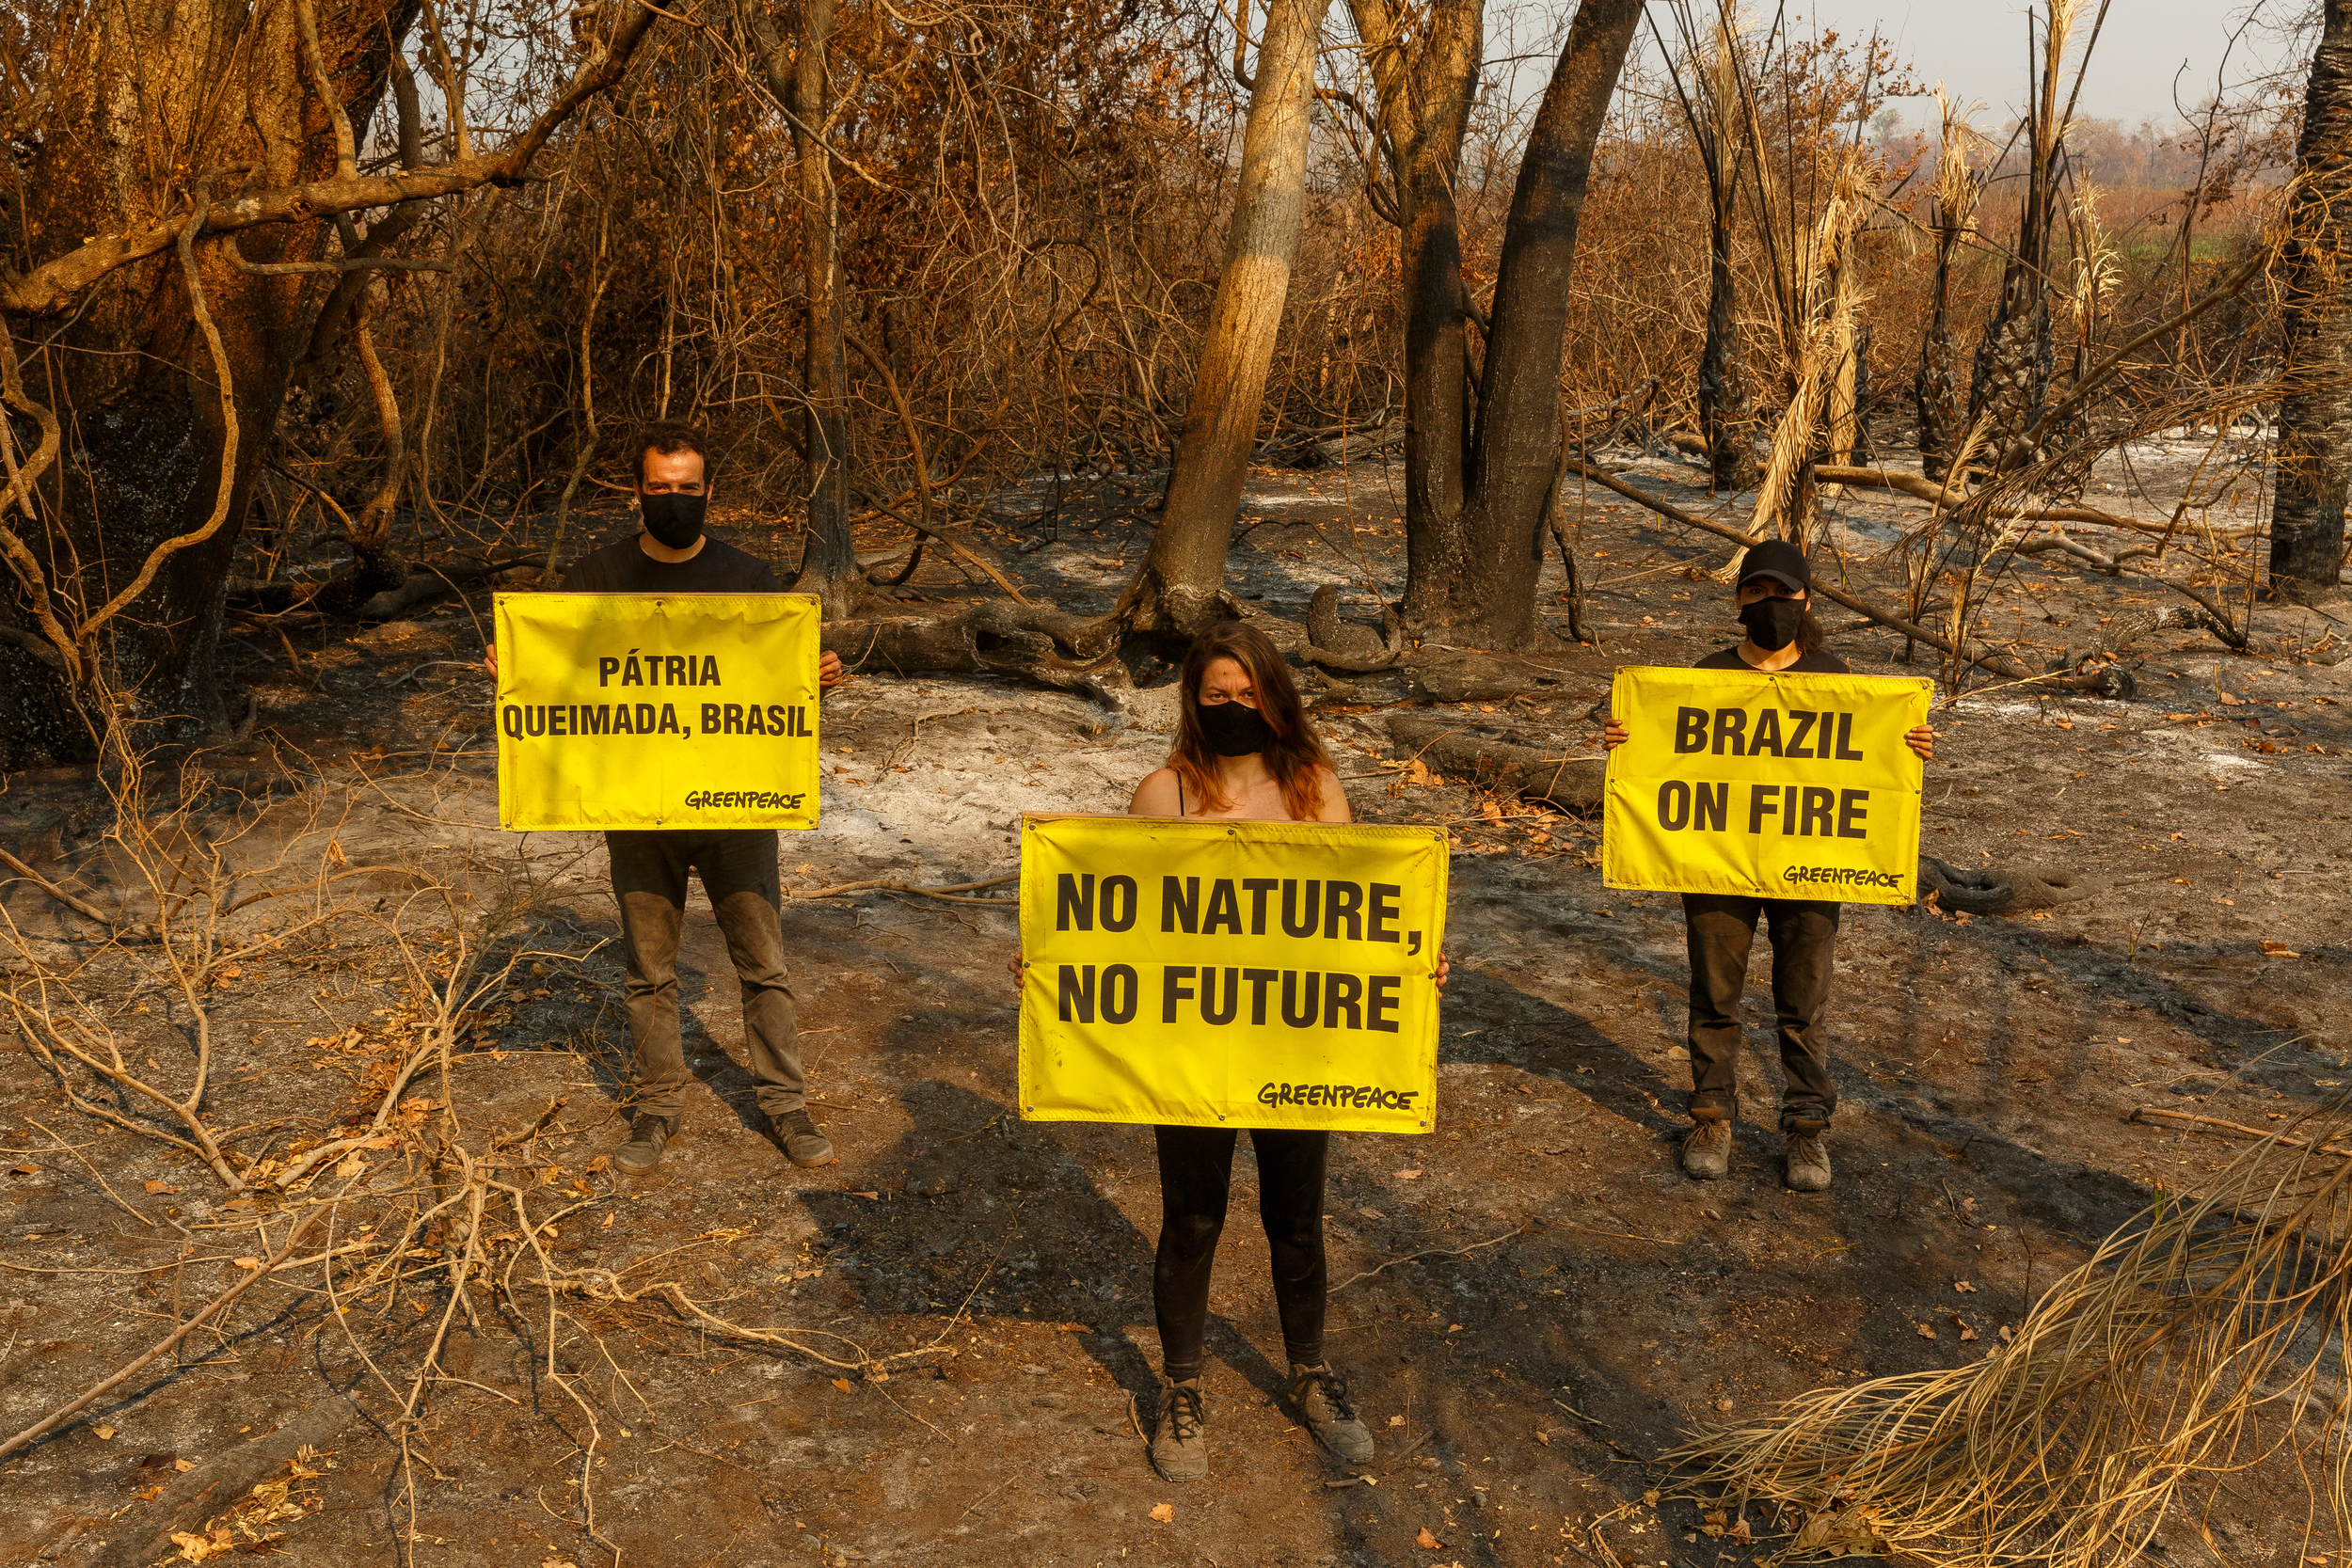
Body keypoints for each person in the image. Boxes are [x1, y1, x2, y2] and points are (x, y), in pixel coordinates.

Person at [1015, 621, 1447, 1484]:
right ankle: (1181, 1388)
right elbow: (1118, 925)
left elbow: (1356, 919)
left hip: (1293, 1041)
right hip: (1191, 1047)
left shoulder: (1316, 790)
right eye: (1216, 694)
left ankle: (1312, 1373)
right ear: (1192, 700)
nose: (1233, 706)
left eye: (1248, 693)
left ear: (1275, 696)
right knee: (1193, 1217)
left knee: (1295, 1218)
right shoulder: (1161, 795)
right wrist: (1050, 960)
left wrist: (1415, 962)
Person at [485, 420, 846, 1176]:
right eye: (661, 488)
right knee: (649, 969)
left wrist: (815, 674)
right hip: (636, 809)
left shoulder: (751, 581)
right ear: (637, 491)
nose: (675, 500)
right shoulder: (594, 579)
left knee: (764, 963)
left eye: (688, 489)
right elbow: (555, 664)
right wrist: (513, 664)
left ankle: (785, 1104)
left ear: (710, 492)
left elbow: (777, 675)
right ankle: (657, 1106)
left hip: (735, 807)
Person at [1602, 539, 1932, 1195]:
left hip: (1811, 864)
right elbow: (1666, 750)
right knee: (1715, 992)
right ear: (1739, 600)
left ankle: (1806, 1129)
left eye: (1784, 594)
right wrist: (1627, 739)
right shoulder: (1706, 676)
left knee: (1804, 1000)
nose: (1771, 604)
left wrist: (1910, 743)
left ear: (1805, 599)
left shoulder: (1835, 681)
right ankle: (1711, 1117)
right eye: (1758, 593)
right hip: (1715, 862)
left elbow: (1871, 760)